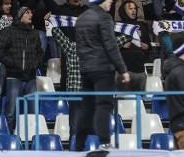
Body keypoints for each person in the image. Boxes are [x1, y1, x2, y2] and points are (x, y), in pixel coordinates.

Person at [46, 13, 130, 149]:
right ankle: (77, 151)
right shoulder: (72, 47)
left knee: (89, 126)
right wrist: (49, 19)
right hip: (77, 95)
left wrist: (129, 32)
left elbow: (117, 41)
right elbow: (56, 32)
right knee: (76, 127)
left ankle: (91, 150)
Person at [74, 0, 130, 151]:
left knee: (87, 109)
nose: (111, 1)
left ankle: (78, 146)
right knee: (104, 105)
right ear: (101, 0)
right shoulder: (104, 17)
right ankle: (105, 143)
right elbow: (111, 46)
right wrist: (123, 69)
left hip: (85, 69)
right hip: (102, 69)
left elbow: (80, 46)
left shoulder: (81, 18)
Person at [0, 6, 43, 131]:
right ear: (20, 15)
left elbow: (40, 52)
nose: (30, 14)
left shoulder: (34, 33)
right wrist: (13, 63)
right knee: (11, 112)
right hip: (14, 77)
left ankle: (32, 139)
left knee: (33, 112)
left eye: (31, 12)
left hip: (31, 77)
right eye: (27, 12)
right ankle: (8, 138)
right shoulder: (9, 31)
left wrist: (35, 64)